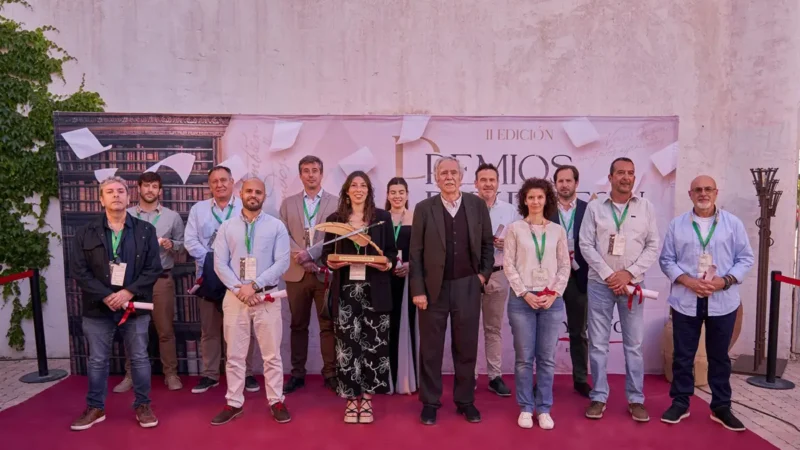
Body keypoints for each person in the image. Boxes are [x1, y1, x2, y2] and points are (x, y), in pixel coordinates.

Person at [659, 175, 754, 431]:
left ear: (716, 192)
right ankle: (680, 402)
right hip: (686, 300)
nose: (703, 193)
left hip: (722, 300)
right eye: (698, 190)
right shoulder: (677, 225)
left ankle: (721, 406)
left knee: (720, 357)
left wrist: (725, 281)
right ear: (690, 194)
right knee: (682, 356)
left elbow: (745, 258)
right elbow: (666, 260)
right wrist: (688, 281)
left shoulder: (732, 224)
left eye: (708, 189)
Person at [69, 176, 162, 430]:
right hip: (98, 308)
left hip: (135, 306)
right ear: (101, 199)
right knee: (98, 360)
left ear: (128, 197)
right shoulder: (84, 233)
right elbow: (78, 270)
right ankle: (95, 408)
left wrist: (128, 292)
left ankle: (143, 405)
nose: (116, 195)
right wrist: (106, 295)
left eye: (121, 191)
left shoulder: (145, 231)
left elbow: (154, 268)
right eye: (109, 192)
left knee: (140, 358)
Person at [410, 156, 494, 425]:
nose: (448, 177)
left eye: (453, 173)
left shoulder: (477, 205)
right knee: (431, 348)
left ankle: (465, 401)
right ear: (436, 178)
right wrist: (418, 290)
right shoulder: (424, 208)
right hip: (433, 290)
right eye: (443, 173)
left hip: (468, 286)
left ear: (461, 177)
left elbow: (487, 246)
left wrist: (482, 276)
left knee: (466, 347)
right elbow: (416, 254)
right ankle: (430, 402)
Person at [579, 157, 659, 422]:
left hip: (633, 287)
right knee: (598, 345)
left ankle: (636, 399)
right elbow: (586, 244)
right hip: (600, 285)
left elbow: (652, 246)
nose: (626, 177)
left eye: (631, 173)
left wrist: (629, 274)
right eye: (621, 173)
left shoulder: (646, 207)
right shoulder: (594, 208)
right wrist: (610, 275)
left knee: (634, 346)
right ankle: (599, 396)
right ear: (610, 177)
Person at [209, 178, 292, 425]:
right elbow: (219, 264)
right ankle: (234, 403)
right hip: (235, 299)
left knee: (271, 355)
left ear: (264, 196)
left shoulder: (276, 226)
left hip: (266, 296)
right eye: (249, 191)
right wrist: (240, 289)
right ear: (240, 193)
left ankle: (276, 401)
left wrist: (254, 286)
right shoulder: (227, 227)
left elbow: (282, 262)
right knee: (234, 355)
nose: (253, 195)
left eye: (258, 192)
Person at [321, 171, 397, 423]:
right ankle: (351, 400)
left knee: (374, 345)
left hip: (375, 290)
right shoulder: (335, 220)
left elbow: (391, 254)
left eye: (363, 185)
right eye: (353, 185)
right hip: (345, 292)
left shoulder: (382, 219)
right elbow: (326, 256)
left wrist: (384, 263)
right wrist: (334, 263)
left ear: (369, 190)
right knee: (347, 347)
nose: (358, 189)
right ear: (346, 190)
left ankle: (367, 401)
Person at [185, 166, 259, 394]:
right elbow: (190, 241)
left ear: (233, 182)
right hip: (208, 277)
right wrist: (214, 258)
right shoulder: (198, 210)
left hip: (239, 278)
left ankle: (245, 373)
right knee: (210, 329)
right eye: (214, 181)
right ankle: (210, 375)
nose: (220, 185)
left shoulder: (244, 207)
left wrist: (230, 259)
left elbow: (255, 238)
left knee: (242, 327)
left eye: (224, 180)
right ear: (209, 185)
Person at [504, 178, 570, 430]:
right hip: (522, 300)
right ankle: (525, 407)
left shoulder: (557, 231)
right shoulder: (515, 229)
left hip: (551, 299)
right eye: (530, 197)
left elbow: (564, 265)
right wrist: (524, 293)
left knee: (546, 358)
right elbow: (508, 265)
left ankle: (543, 408)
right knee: (523, 357)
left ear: (546, 200)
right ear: (524, 200)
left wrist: (554, 293)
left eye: (540, 197)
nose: (535, 201)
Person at [113, 172, 185, 393]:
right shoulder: (127, 215)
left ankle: (170, 374)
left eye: (155, 186)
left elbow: (183, 247)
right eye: (146, 186)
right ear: (139, 188)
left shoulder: (172, 217)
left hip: (161, 279)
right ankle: (130, 375)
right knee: (133, 330)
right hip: (132, 282)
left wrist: (170, 244)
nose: (150, 190)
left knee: (165, 330)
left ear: (160, 190)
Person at [279, 155, 339, 394]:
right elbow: (282, 234)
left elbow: (335, 236)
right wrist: (301, 256)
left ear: (321, 174)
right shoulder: (288, 203)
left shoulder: (336, 203)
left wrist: (312, 255)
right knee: (297, 325)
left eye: (315, 170)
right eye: (306, 170)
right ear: (300, 174)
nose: (311, 174)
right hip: (296, 273)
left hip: (324, 272)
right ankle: (297, 374)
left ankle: (331, 373)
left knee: (328, 324)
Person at [473, 162, 519, 397]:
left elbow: (521, 243)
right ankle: (468, 376)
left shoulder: (509, 211)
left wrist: (507, 244)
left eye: (492, 179)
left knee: (493, 329)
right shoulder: (467, 206)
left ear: (498, 183)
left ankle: (494, 377)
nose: (488, 184)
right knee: (468, 329)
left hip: (499, 273)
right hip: (471, 276)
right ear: (475, 183)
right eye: (483, 179)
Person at [550, 165, 592, 397]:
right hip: (551, 278)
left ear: (576, 183)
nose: (564, 185)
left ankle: (579, 379)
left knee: (579, 332)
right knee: (546, 332)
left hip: (580, 277)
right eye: (560, 181)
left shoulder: (589, 209)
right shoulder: (545, 210)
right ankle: (545, 380)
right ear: (555, 184)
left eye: (569, 180)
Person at [385, 177, 417, 394]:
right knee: (386, 328)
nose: (397, 196)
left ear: (407, 194)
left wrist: (410, 265)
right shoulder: (380, 219)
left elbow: (424, 249)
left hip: (408, 281)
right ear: (387, 195)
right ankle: (385, 380)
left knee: (407, 326)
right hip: (384, 280)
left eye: (401, 192)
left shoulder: (417, 217)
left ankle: (406, 380)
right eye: (393, 192)